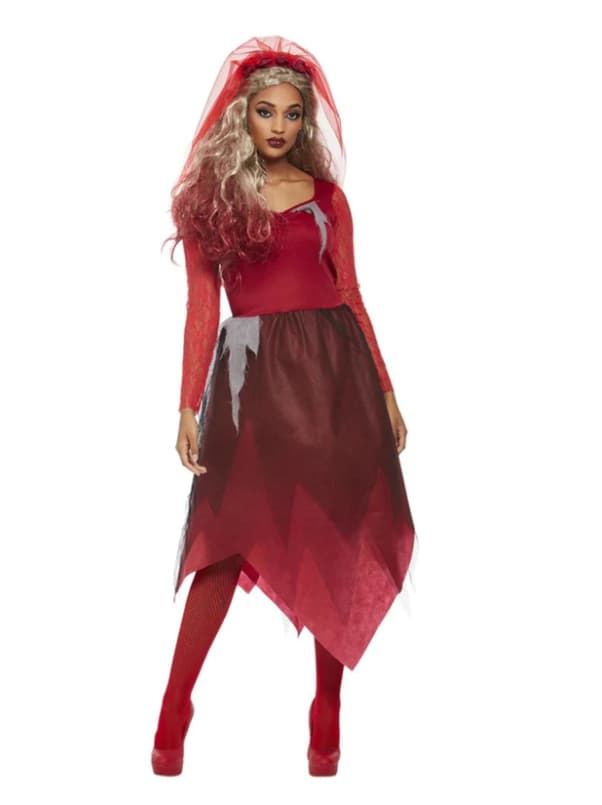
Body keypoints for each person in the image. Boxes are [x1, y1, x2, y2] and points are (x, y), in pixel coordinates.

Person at [151, 35, 418, 778]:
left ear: (306, 120)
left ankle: (327, 709)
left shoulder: (328, 199)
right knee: (225, 541)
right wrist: (187, 406)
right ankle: (174, 704)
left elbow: (351, 293)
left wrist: (387, 389)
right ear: (241, 115)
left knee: (338, 536)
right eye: (265, 111)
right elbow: (201, 309)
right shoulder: (210, 202)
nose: (279, 126)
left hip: (336, 377)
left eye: (292, 114)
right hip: (254, 384)